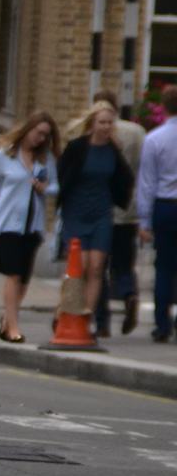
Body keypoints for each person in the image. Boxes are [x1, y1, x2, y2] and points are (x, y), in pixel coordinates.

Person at [0, 111, 61, 343]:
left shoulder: (46, 159)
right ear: (27, 129)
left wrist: (45, 188)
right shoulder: (6, 154)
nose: (40, 139)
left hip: (32, 226)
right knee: (13, 274)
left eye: (45, 135)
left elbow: (56, 187)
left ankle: (7, 319)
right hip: (7, 223)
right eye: (37, 133)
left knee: (24, 278)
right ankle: (13, 326)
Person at [57, 100, 135, 339]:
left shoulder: (113, 151)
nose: (105, 127)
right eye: (102, 122)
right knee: (77, 267)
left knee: (97, 267)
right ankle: (62, 311)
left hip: (102, 213)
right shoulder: (77, 147)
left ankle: (86, 317)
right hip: (76, 212)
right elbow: (62, 175)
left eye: (110, 123)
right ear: (92, 123)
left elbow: (125, 179)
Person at [92, 90, 146, 337]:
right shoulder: (135, 132)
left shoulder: (95, 132)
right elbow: (144, 169)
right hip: (129, 209)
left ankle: (102, 322)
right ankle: (129, 293)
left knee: (98, 267)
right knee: (124, 263)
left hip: (102, 209)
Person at [136, 85, 177, 342]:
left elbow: (147, 183)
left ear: (163, 107)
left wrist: (144, 220)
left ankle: (162, 324)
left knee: (163, 267)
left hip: (164, 206)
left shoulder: (154, 139)